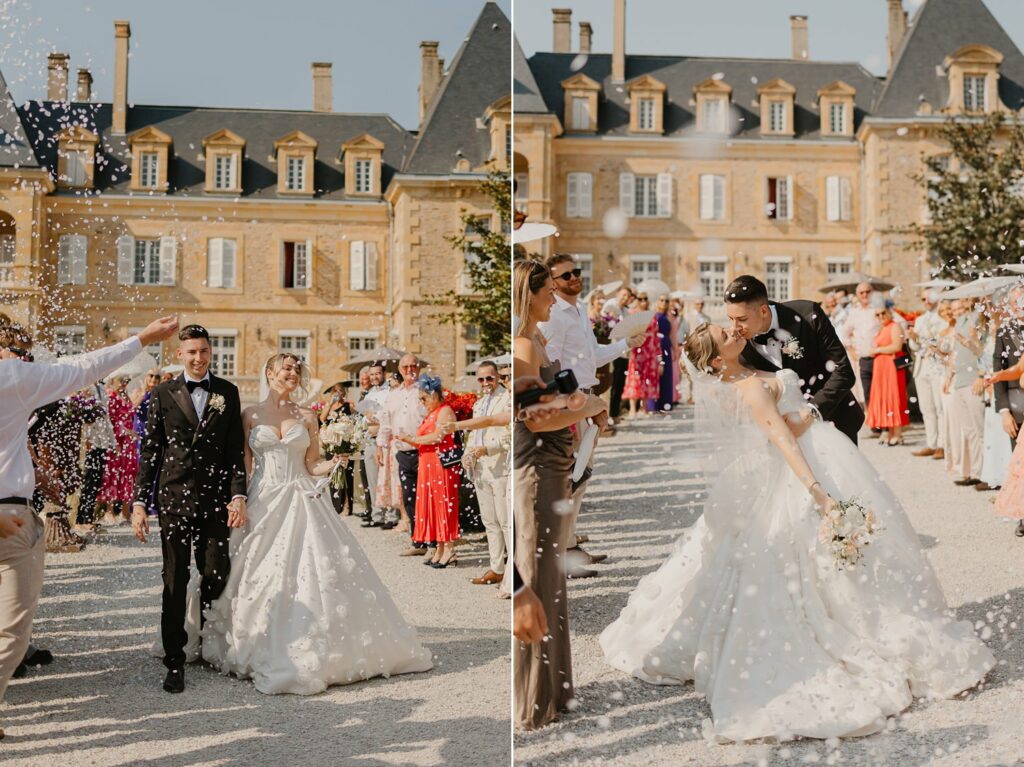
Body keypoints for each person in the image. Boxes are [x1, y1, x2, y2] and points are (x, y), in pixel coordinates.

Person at [600, 322, 993, 742]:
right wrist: (820, 494)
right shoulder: (749, 387)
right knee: (808, 557)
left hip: (812, 451)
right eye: (726, 335)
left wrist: (802, 416)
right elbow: (783, 441)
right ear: (717, 360)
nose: (735, 332)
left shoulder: (740, 374)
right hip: (801, 468)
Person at [197, 353, 432, 693]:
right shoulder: (250, 415)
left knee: (315, 567)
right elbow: (244, 466)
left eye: (296, 369)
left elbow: (312, 465)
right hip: (263, 499)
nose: (291, 374)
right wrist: (237, 500)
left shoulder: (307, 416)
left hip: (302, 496)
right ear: (269, 372)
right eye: (285, 369)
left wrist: (338, 459)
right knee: (256, 571)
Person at [0, 316, 178, 736]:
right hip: (10, 519)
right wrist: (142, 338)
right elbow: (84, 368)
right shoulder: (13, 375)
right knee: (12, 630)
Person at [512, 259, 607, 730]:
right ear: (529, 293)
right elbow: (532, 416)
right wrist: (588, 404)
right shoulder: (525, 345)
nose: (556, 296)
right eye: (548, 290)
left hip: (555, 463)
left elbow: (546, 403)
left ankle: (554, 687)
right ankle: (533, 699)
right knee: (536, 576)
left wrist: (577, 406)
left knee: (553, 578)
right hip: (537, 466)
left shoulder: (540, 339)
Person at [131, 324, 248, 694]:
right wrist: (138, 501)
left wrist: (238, 495)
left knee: (215, 571)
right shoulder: (163, 393)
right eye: (191, 352)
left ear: (211, 352)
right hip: (174, 498)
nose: (198, 358)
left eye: (204, 351)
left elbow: (234, 451)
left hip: (215, 500)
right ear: (179, 354)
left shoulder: (228, 393)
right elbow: (150, 450)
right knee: (175, 577)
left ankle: (207, 643)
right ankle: (175, 659)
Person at [725, 274, 863, 444]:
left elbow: (843, 372)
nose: (734, 327)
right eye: (730, 319)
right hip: (785, 436)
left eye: (742, 319)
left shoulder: (808, 315)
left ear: (763, 310)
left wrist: (811, 412)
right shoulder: (738, 343)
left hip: (833, 422)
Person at [396, 375, 461, 568]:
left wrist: (410, 439)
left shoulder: (445, 411)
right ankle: (440, 547)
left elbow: (438, 437)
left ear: (434, 395)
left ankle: (449, 548)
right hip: (428, 464)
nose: (422, 403)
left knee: (443, 504)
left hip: (441, 465)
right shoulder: (431, 413)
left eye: (424, 398)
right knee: (432, 505)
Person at [462, 360, 511, 589]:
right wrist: (467, 454)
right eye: (481, 379)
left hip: (500, 466)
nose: (485, 383)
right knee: (489, 520)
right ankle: (496, 568)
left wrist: (487, 449)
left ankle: (512, 572)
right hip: (480, 468)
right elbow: (473, 434)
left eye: (489, 378)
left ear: (498, 377)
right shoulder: (479, 404)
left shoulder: (507, 399)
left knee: (504, 520)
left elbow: (509, 435)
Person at [377, 355, 428, 555]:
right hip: (402, 453)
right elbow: (386, 423)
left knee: (426, 498)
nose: (410, 369)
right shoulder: (393, 395)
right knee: (409, 497)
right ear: (399, 369)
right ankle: (418, 541)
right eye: (405, 366)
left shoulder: (425, 391)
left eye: (413, 365)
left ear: (419, 367)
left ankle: (432, 540)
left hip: (424, 451)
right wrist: (380, 446)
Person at [944, 299, 986, 487]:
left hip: (973, 380)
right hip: (959, 380)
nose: (957, 311)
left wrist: (971, 341)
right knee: (968, 430)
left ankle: (984, 472)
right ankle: (973, 471)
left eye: (960, 306)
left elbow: (982, 351)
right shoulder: (959, 323)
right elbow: (954, 354)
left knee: (979, 429)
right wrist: (949, 376)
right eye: (955, 308)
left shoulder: (977, 319)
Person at [909, 290, 947, 459]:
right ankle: (931, 443)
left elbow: (940, 342)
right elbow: (915, 347)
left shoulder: (943, 318)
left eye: (929, 298)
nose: (926, 301)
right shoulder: (920, 319)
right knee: (926, 408)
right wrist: (913, 338)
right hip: (922, 365)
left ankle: (942, 444)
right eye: (923, 298)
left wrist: (921, 337)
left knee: (940, 407)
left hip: (937, 365)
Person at [98, 375, 140, 525]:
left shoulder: (124, 396)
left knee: (129, 473)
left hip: (128, 442)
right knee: (114, 473)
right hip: (117, 441)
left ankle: (125, 511)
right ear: (113, 380)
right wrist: (125, 432)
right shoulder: (111, 395)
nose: (124, 383)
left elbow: (130, 416)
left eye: (127, 381)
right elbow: (110, 420)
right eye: (122, 380)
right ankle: (109, 511)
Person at [866, 304, 909, 445]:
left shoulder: (895, 326)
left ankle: (897, 433)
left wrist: (877, 349)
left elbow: (897, 346)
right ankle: (890, 432)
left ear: (889, 312)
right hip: (881, 367)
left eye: (883, 313)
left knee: (893, 396)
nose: (881, 316)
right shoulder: (882, 329)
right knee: (884, 397)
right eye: (877, 315)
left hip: (891, 366)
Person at [76, 383, 116, 531]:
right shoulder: (84, 385)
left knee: (96, 480)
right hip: (90, 440)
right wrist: (85, 439)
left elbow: (106, 417)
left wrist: (112, 442)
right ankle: (81, 519)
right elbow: (82, 415)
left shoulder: (102, 388)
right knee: (88, 479)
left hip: (102, 441)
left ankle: (89, 516)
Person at [841, 282, 881, 408]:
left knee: (880, 390)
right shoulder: (854, 312)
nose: (865, 295)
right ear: (857, 295)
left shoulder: (879, 309)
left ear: (872, 292)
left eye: (867, 292)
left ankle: (881, 420)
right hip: (862, 357)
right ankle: (871, 420)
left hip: (879, 356)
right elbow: (843, 333)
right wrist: (850, 348)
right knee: (866, 391)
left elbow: (898, 324)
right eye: (861, 292)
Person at [319, 382, 356, 516]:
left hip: (345, 442)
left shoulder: (348, 406)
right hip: (332, 443)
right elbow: (322, 419)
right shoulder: (329, 406)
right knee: (333, 474)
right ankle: (336, 505)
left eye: (340, 391)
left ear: (343, 393)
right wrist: (329, 404)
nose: (338, 393)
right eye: (335, 391)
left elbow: (355, 420)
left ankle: (347, 506)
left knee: (346, 475)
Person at [622, 294, 661, 418]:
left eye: (645, 298)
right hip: (636, 350)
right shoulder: (632, 313)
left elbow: (656, 337)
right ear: (636, 300)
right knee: (634, 378)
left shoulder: (652, 315)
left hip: (649, 351)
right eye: (640, 298)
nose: (643, 301)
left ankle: (643, 408)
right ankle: (633, 409)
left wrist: (658, 356)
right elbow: (627, 332)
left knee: (647, 379)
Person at [652, 294, 674, 413]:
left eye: (666, 300)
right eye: (662, 300)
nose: (664, 303)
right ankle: (657, 404)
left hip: (667, 346)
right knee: (659, 375)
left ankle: (666, 403)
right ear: (657, 302)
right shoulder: (655, 317)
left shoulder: (667, 317)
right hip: (658, 346)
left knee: (667, 376)